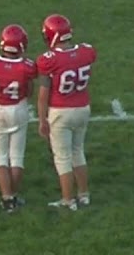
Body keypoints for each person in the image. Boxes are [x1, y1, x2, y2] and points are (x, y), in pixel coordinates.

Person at [36, 13, 96, 211]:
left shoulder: (49, 60)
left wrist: (42, 119)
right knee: (78, 151)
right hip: (83, 107)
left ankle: (67, 199)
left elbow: (44, 94)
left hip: (60, 111)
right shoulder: (86, 51)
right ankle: (84, 194)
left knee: (62, 157)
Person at [0, 24, 36, 212]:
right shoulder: (27, 66)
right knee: (17, 156)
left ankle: (6, 198)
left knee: (1, 156)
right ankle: (13, 195)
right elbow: (29, 90)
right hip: (18, 108)